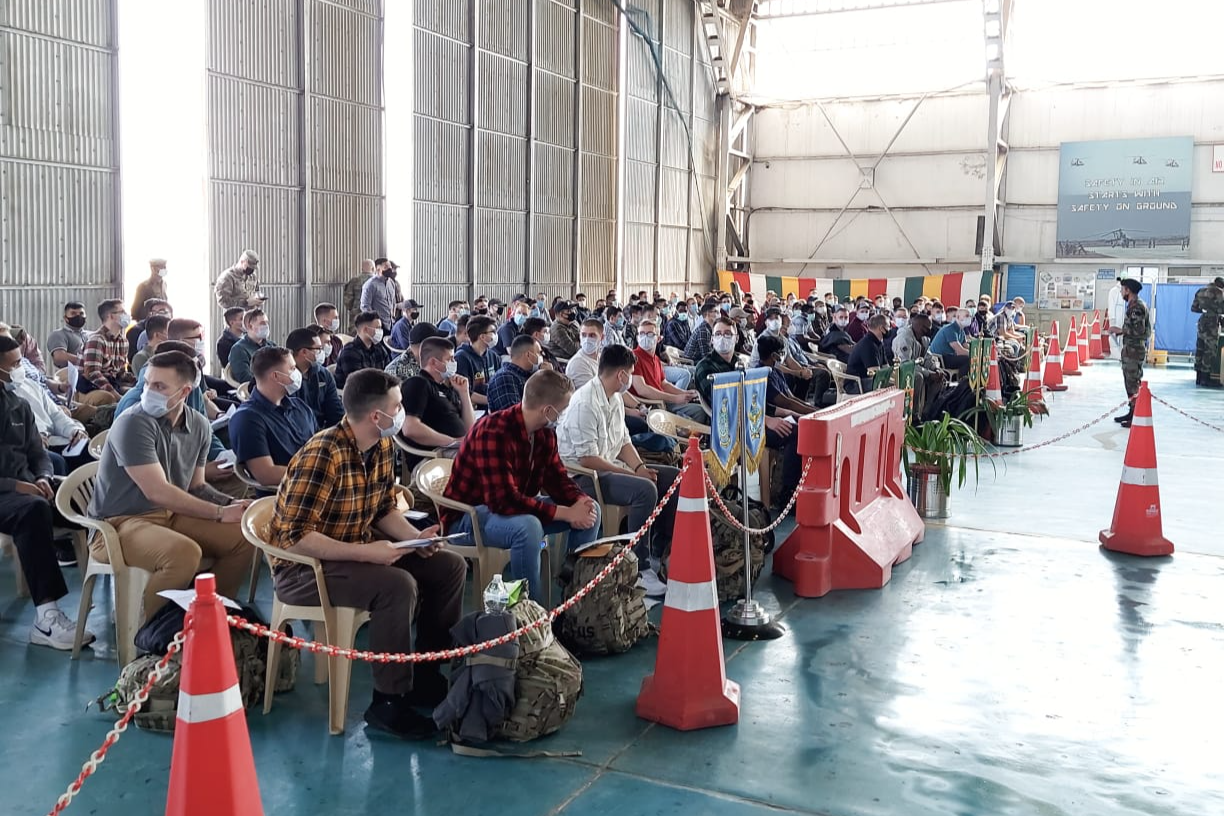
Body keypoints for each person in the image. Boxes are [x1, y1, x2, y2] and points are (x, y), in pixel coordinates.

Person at [270, 368, 465, 739]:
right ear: (377, 416)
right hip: (305, 570)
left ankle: (426, 671)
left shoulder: (382, 445)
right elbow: (294, 538)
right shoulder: (324, 454)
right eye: (399, 406)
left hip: (353, 552)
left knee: (447, 567)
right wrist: (368, 554)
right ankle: (387, 702)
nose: (403, 412)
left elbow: (383, 510)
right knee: (395, 585)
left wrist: (415, 539)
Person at [88, 350, 254, 620]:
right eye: (148, 383)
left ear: (185, 391)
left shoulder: (199, 424)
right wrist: (220, 514)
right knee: (183, 554)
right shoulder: (133, 422)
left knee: (243, 536)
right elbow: (157, 491)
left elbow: (196, 486)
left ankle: (210, 620)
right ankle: (152, 636)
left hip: (170, 515)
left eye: (159, 386)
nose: (148, 391)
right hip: (119, 523)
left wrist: (232, 506)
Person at [442, 370, 600, 601]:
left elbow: (557, 479)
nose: (565, 415)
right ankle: (529, 615)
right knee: (528, 527)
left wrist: (578, 500)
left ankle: (574, 600)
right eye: (563, 410)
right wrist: (565, 512)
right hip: (467, 519)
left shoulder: (545, 434)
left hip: (510, 508)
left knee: (590, 508)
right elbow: (503, 501)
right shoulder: (493, 432)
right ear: (548, 410)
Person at [557, 345, 678, 594]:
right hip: (580, 476)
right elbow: (587, 459)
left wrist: (640, 467)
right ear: (621, 375)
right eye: (630, 374)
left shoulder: (614, 398)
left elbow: (624, 442)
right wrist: (634, 475)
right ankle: (638, 566)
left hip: (609, 465)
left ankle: (662, 549)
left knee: (672, 478)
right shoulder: (585, 403)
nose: (629, 380)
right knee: (644, 489)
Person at [0, 337, 95, 649]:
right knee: (33, 510)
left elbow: (37, 452)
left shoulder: (18, 404)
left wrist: (42, 476)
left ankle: (126, 589)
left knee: (85, 500)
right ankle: (46, 618)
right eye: (13, 364)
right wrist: (17, 486)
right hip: (7, 492)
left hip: (26, 486)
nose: (19, 370)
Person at [229, 347, 318, 489]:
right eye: (292, 368)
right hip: (289, 495)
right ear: (276, 376)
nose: (297, 373)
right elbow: (266, 474)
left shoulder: (300, 407)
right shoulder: (247, 419)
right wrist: (317, 475)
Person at [399, 337, 475, 470]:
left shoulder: (448, 388)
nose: (454, 362)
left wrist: (464, 393)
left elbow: (470, 429)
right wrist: (452, 442)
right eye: (450, 359)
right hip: (434, 456)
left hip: (457, 450)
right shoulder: (417, 384)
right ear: (434, 362)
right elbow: (410, 428)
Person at [631, 319, 707, 421]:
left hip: (663, 401)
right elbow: (642, 390)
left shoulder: (656, 359)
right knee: (700, 412)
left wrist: (684, 393)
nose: (645, 337)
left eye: (649, 334)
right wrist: (674, 398)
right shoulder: (634, 357)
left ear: (658, 338)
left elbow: (664, 384)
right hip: (652, 406)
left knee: (702, 407)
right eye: (641, 334)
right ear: (637, 337)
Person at [1109, 279, 1151, 427]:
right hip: (1130, 349)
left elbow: (1139, 330)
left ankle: (1136, 415)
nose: (1121, 292)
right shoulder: (1134, 305)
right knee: (1130, 382)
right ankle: (1132, 411)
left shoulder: (1136, 307)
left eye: (1122, 290)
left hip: (1134, 350)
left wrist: (1119, 330)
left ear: (1128, 290)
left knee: (1133, 382)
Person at [286, 327, 344, 429]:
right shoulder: (285, 377)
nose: (322, 352)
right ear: (304, 352)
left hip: (322, 434)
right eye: (318, 349)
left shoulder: (324, 375)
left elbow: (336, 413)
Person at [81, 299, 135, 395]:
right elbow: (92, 374)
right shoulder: (97, 340)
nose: (127, 315)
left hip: (113, 384)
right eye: (122, 312)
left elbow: (121, 374)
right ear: (111, 316)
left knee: (137, 394)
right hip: (91, 388)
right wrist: (115, 395)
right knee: (109, 397)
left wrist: (139, 380)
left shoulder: (123, 341)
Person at [335, 312, 391, 389]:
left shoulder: (379, 348)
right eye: (378, 328)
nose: (381, 331)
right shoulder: (349, 352)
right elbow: (358, 382)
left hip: (377, 391)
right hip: (356, 395)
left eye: (381, 328)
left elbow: (389, 371)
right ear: (365, 330)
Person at [453, 316, 500, 408]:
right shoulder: (462, 358)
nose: (496, 335)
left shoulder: (493, 356)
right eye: (493, 332)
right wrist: (491, 401)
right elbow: (464, 392)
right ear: (482, 336)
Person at [487, 335, 541, 412]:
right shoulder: (505, 378)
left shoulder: (526, 374)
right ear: (528, 355)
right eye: (538, 353)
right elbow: (512, 417)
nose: (540, 357)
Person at [1190, 277, 1224, 387]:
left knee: (1200, 348)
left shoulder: (1200, 291)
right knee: (1209, 350)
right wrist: (1214, 312)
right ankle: (1206, 378)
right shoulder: (1219, 293)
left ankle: (1198, 377)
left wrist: (1205, 310)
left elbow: (1194, 308)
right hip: (1212, 323)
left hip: (1202, 322)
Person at [227, 308, 275, 384]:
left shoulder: (272, 345)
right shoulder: (239, 350)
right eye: (262, 323)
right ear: (250, 326)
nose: (266, 326)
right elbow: (245, 378)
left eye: (267, 323)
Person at [846, 314, 889, 393]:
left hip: (867, 380)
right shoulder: (868, 345)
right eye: (888, 326)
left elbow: (886, 367)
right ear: (881, 328)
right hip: (856, 384)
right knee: (890, 385)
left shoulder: (879, 343)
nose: (889, 329)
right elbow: (875, 374)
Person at [47, 301, 90, 370]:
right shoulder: (58, 334)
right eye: (73, 313)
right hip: (72, 377)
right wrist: (88, 361)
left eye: (81, 313)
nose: (78, 316)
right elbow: (59, 357)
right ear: (65, 318)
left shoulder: (91, 335)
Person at [361, 258, 401, 332]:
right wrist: (374, 322)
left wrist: (393, 315)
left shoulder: (391, 283)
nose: (390, 269)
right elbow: (365, 306)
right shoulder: (370, 285)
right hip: (378, 326)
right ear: (378, 269)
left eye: (390, 266)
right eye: (386, 267)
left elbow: (393, 302)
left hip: (390, 324)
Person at [566, 318, 607, 390]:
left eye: (592, 335)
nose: (587, 339)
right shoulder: (578, 363)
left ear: (602, 337)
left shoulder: (601, 357)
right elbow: (591, 394)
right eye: (584, 335)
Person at [929, 307, 972, 376]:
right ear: (958, 317)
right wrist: (973, 354)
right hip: (940, 358)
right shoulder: (950, 329)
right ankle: (962, 382)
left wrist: (975, 352)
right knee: (968, 359)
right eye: (967, 316)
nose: (969, 318)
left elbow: (966, 346)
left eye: (970, 316)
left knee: (972, 359)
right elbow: (959, 351)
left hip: (949, 356)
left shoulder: (961, 331)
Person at [342, 259, 376, 331]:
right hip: (374, 317)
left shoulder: (354, 280)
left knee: (354, 337)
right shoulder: (378, 282)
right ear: (373, 268)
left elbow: (347, 300)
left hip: (356, 316)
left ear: (362, 269)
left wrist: (354, 309)